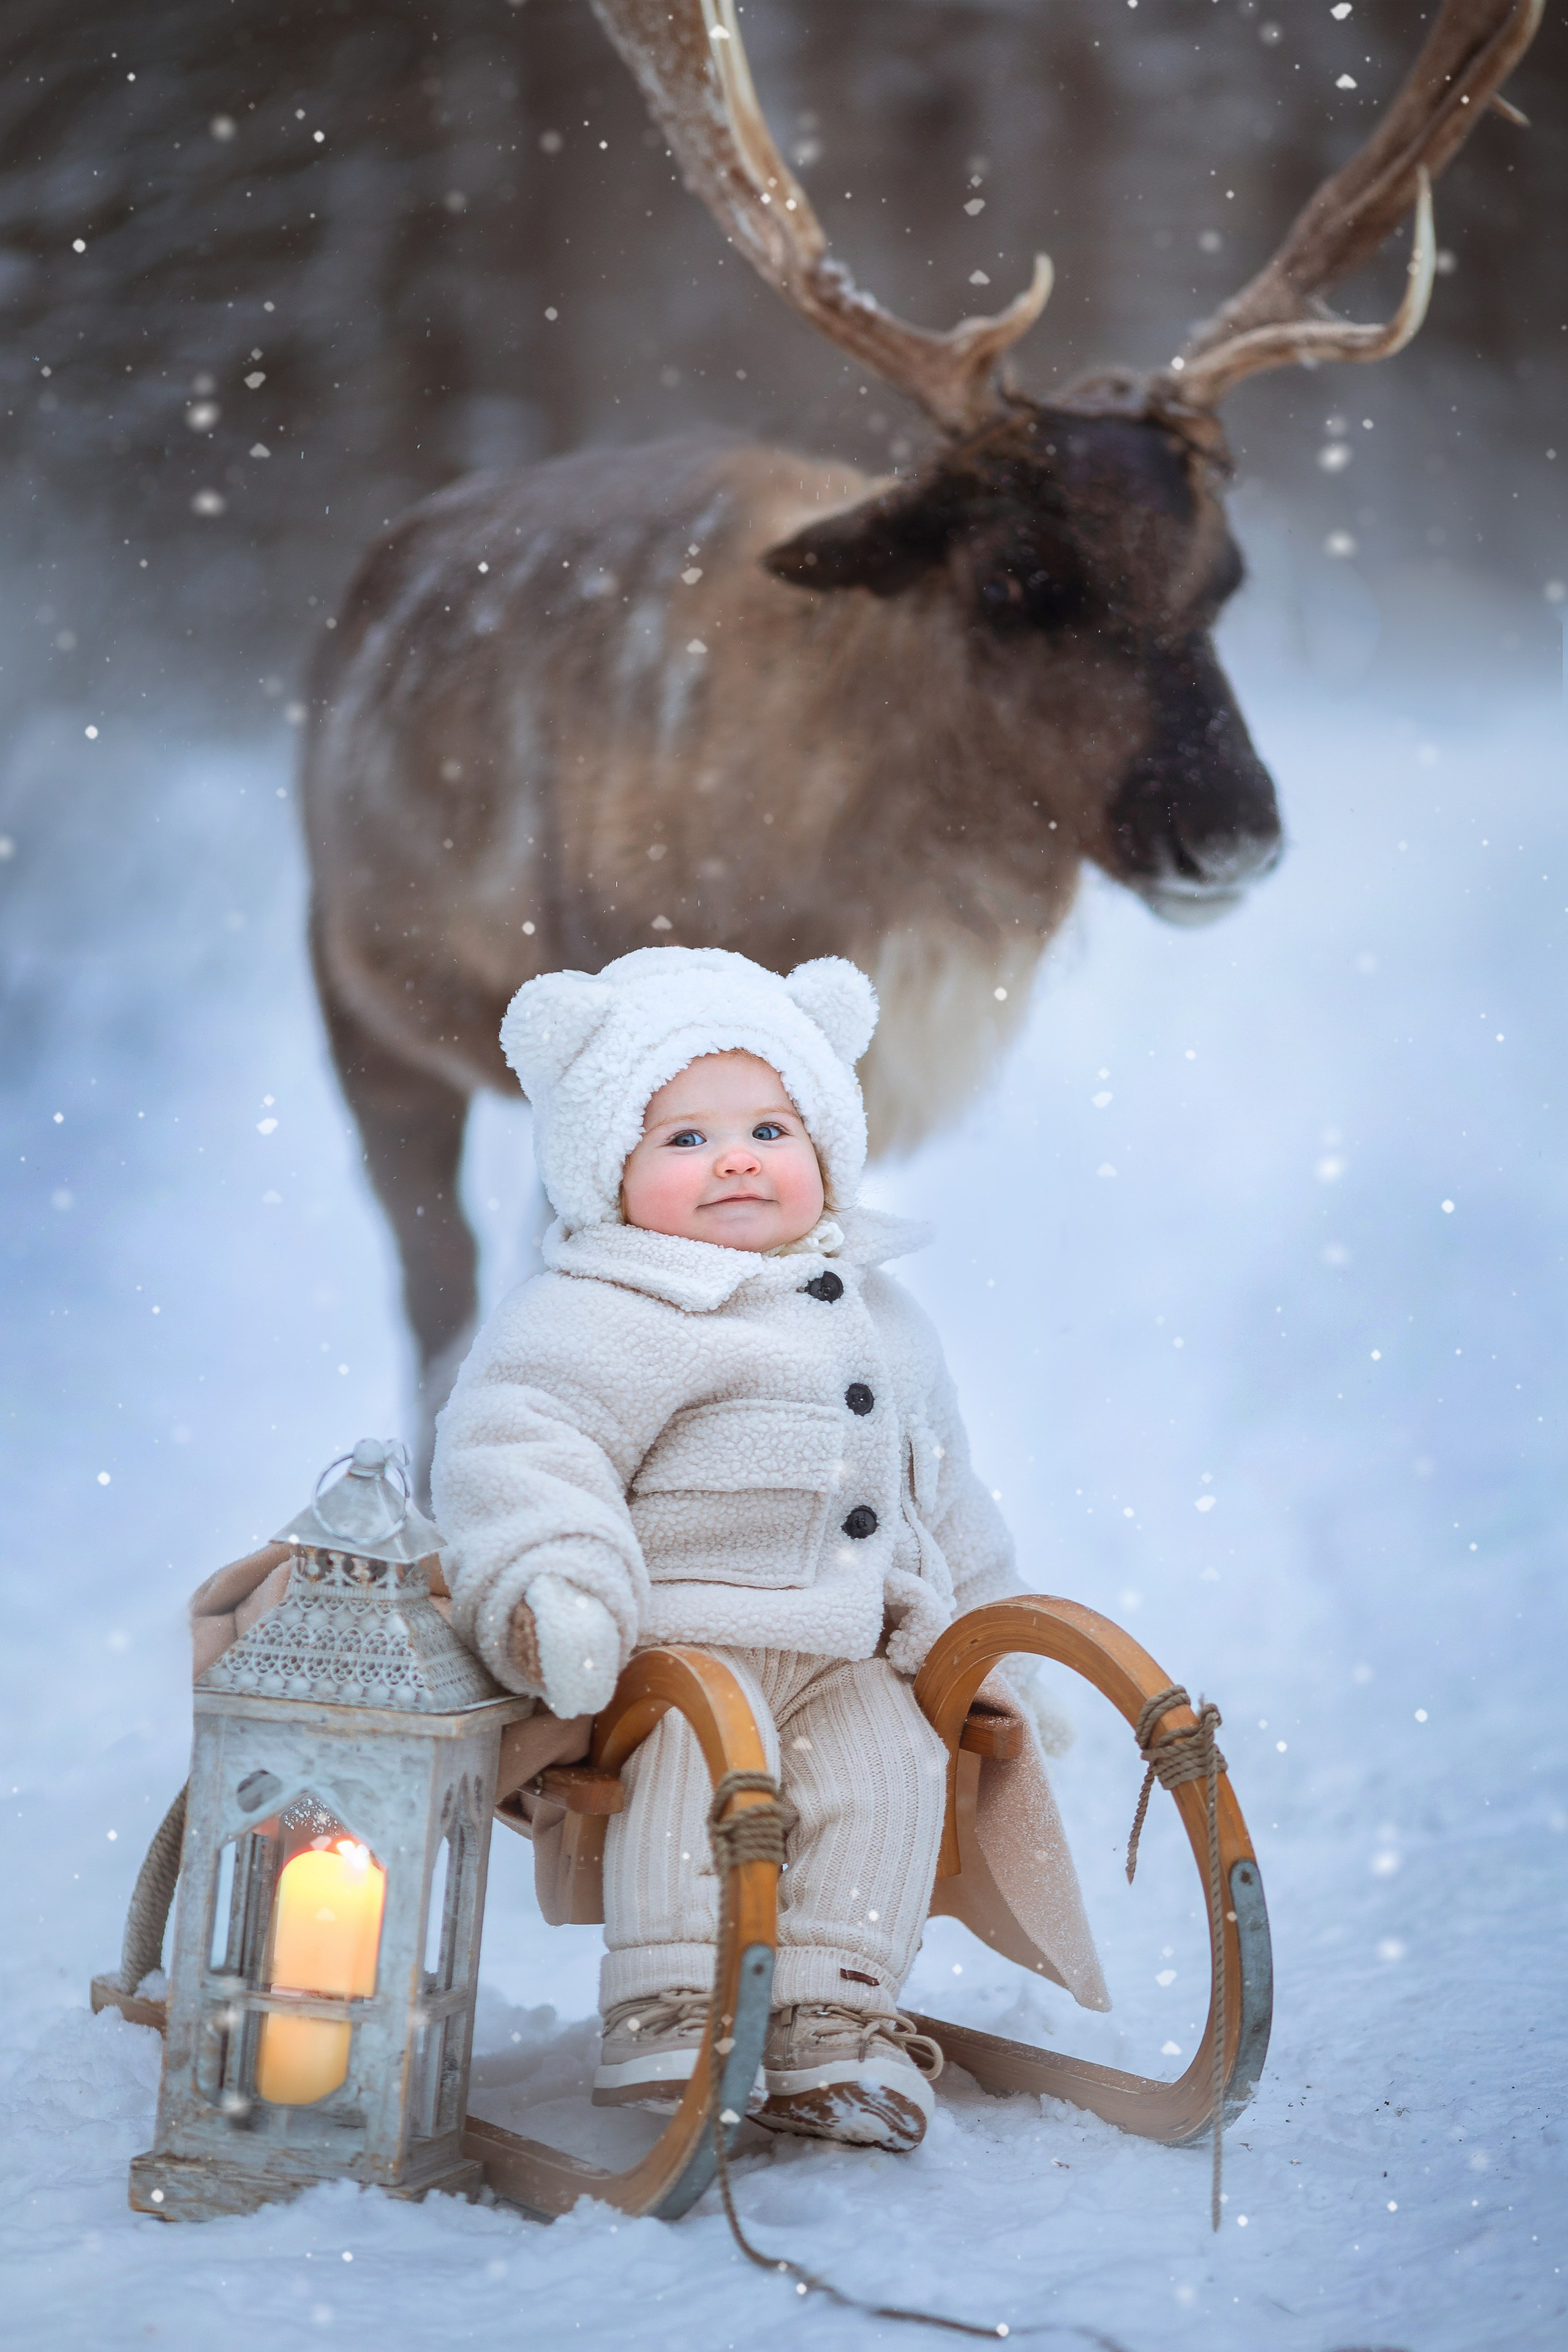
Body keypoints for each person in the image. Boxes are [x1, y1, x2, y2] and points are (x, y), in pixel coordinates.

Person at [432, 946, 1096, 2152]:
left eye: (766, 1126)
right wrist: (555, 1584)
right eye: (682, 1139)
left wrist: (994, 1645)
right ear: (605, 1169)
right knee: (703, 1771)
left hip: (847, 1653)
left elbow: (942, 1502)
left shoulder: (882, 1316)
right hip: (675, 1649)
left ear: (824, 1150)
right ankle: (673, 2002)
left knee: (887, 1770)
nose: (732, 1157)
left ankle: (828, 2018)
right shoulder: (600, 1309)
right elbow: (520, 1450)